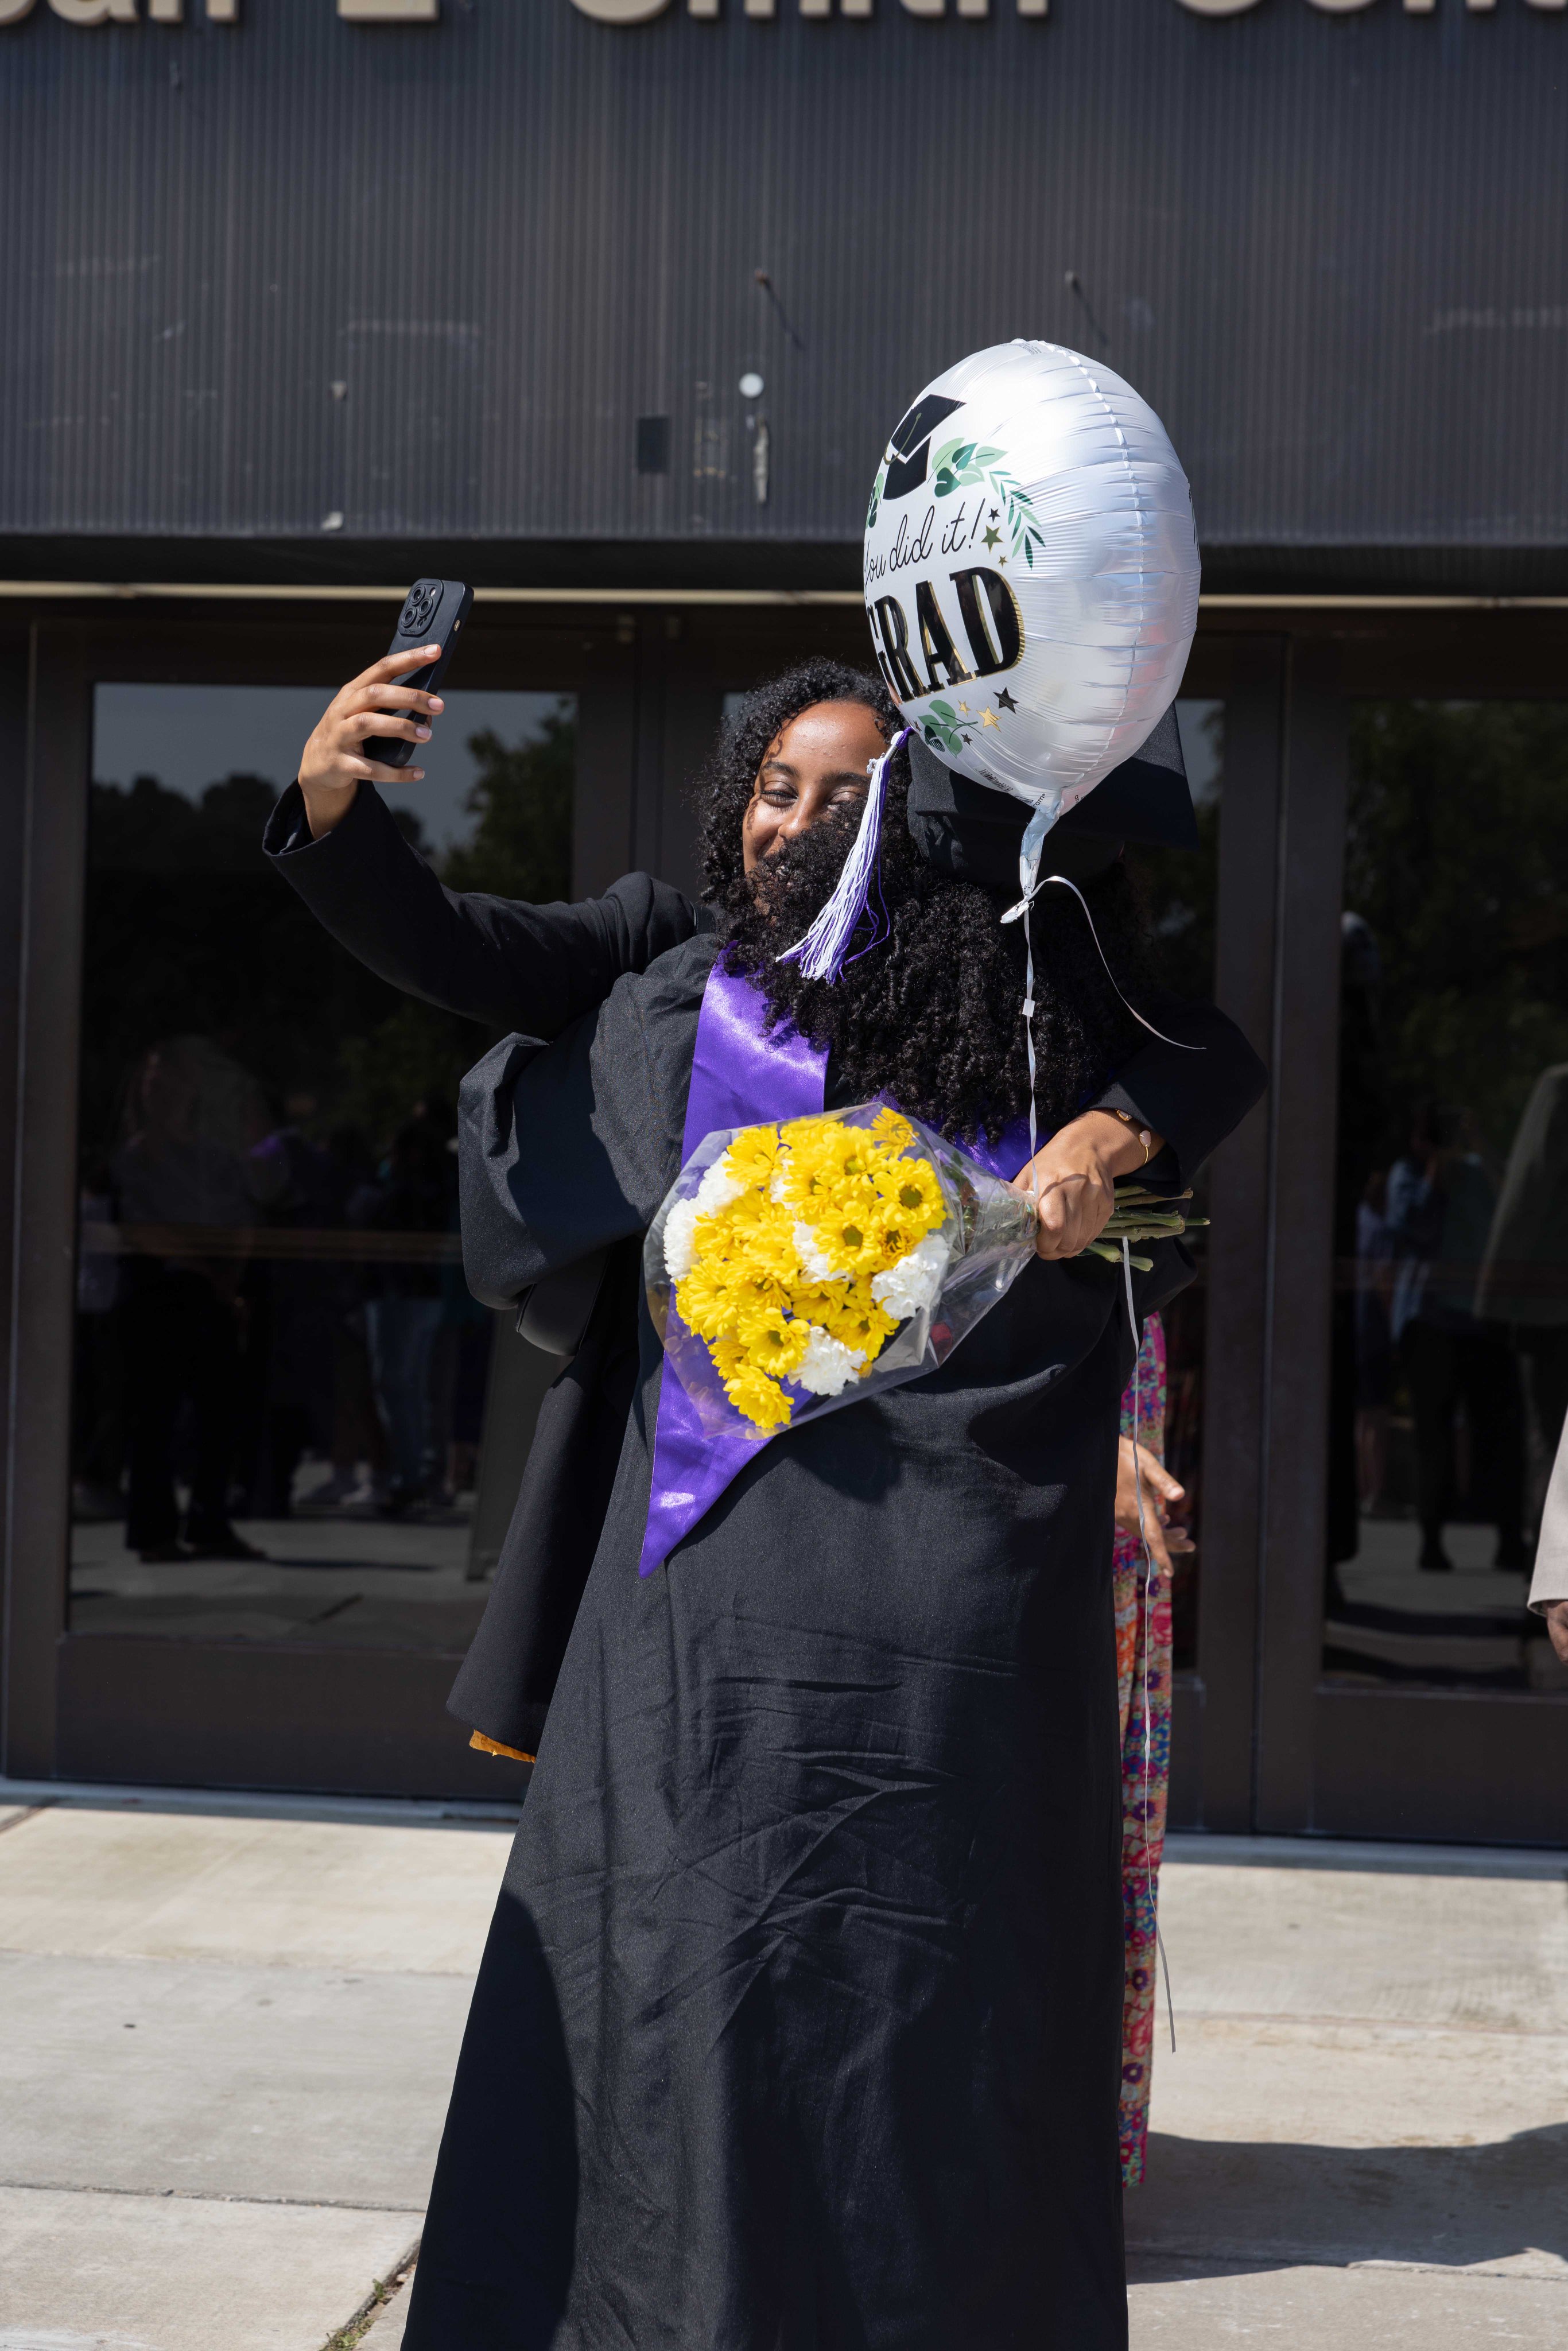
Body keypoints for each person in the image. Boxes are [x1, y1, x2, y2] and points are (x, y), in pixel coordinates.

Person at [266, 647, 1266, 2351]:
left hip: (922, 1606)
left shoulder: (1007, 982)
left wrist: (1102, 1143)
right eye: (775, 789)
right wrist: (331, 804)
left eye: (846, 795)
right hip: (697, 1575)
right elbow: (456, 946)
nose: (795, 823)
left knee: (896, 2015)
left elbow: (1199, 1056)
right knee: (670, 1984)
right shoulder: (677, 963)